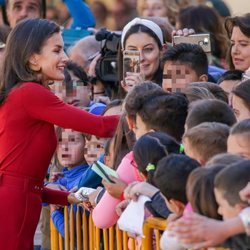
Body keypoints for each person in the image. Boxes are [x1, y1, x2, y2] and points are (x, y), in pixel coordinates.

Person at [0, 18, 119, 250]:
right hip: (14, 209)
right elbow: (101, 127)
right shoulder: (30, 93)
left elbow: (24, 180)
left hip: (18, 205)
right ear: (33, 59)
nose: (65, 57)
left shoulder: (20, 95)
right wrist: (145, 113)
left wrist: (67, 198)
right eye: (57, 50)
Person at [119, 17, 164, 92]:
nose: (141, 58)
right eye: (133, 50)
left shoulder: (172, 88)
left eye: (148, 49)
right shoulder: (113, 88)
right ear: (123, 54)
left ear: (162, 50)